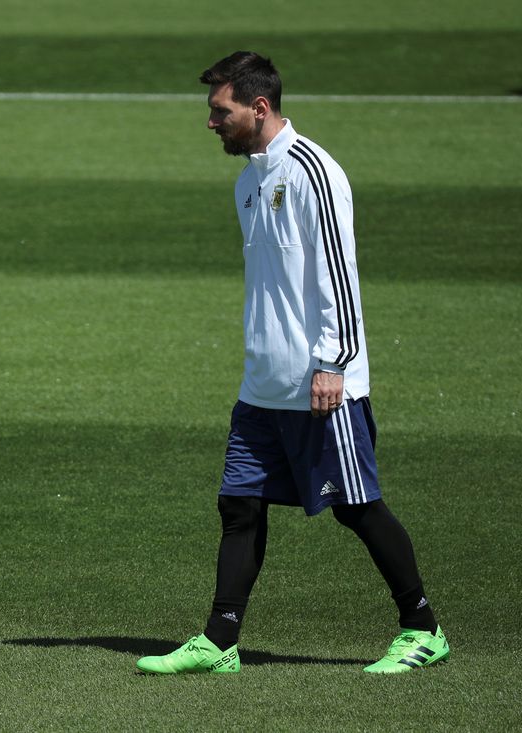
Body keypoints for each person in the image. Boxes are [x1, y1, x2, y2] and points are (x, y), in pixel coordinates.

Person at [136, 51, 449, 675]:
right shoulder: (248, 180)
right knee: (240, 506)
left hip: (320, 382)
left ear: (258, 106)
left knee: (357, 507)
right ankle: (220, 641)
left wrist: (333, 362)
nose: (210, 123)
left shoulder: (313, 172)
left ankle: (423, 627)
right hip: (262, 385)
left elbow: (340, 274)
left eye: (219, 111)